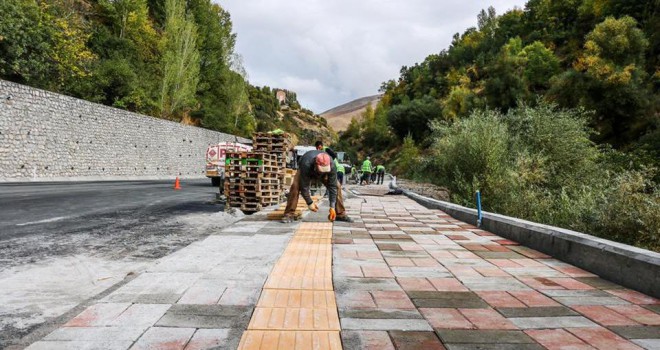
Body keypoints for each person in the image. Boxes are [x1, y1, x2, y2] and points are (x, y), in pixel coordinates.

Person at [282, 150, 352, 223]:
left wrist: (332, 207)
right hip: (307, 171)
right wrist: (310, 203)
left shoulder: (332, 165)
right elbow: (304, 187)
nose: (322, 172)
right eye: (321, 170)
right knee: (295, 186)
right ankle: (289, 214)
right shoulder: (306, 164)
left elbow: (333, 187)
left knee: (337, 186)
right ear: (316, 164)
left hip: (323, 173)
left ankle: (340, 214)